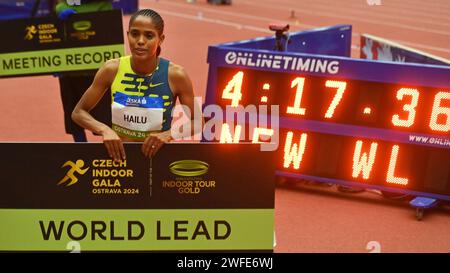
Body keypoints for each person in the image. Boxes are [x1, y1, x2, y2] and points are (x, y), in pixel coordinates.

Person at [72, 8, 197, 161]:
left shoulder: (176, 75)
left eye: (149, 35)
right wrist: (104, 129)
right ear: (127, 35)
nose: (140, 41)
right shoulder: (111, 69)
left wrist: (168, 135)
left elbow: (197, 122)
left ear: (161, 39)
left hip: (156, 160)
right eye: (135, 34)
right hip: (119, 159)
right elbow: (78, 112)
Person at [55, 0, 113, 142]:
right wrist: (53, 62)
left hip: (97, 73)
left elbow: (111, 34)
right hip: (70, 70)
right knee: (72, 109)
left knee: (104, 114)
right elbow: (59, 5)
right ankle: (80, 145)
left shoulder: (105, 6)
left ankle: (108, 146)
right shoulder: (65, 4)